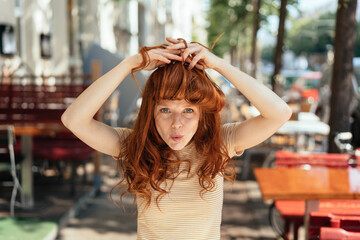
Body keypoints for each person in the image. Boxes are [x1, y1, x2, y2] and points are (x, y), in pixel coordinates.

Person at [61, 37, 292, 239]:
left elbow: (280, 113)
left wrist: (218, 64)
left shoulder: (220, 143)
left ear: (202, 114)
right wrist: (130, 64)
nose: (176, 124)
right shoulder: (135, 146)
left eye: (188, 111)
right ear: (151, 111)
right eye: (165, 110)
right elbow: (74, 119)